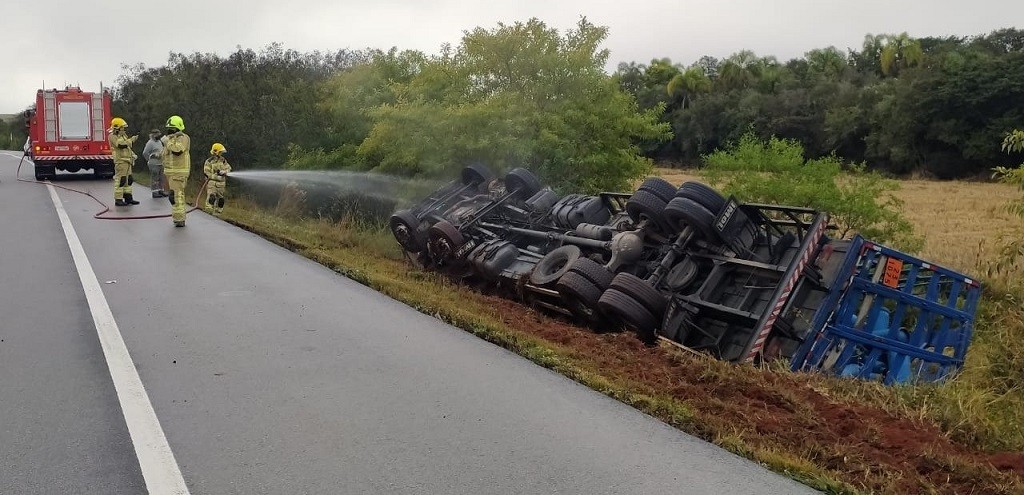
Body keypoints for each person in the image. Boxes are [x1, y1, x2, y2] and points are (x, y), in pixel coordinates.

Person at [161, 115, 190, 227]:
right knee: (175, 196)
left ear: (178, 128)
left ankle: (180, 219)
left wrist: (167, 142)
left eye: (171, 128)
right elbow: (166, 155)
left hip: (179, 173)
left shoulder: (183, 138)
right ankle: (178, 218)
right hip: (170, 173)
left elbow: (178, 151)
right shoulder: (171, 139)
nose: (169, 131)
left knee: (176, 196)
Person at [108, 117, 139, 206]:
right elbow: (121, 145)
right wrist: (132, 140)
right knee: (120, 180)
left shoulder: (123, 135)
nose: (124, 129)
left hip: (127, 161)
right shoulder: (112, 136)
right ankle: (118, 199)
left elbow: (127, 148)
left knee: (128, 180)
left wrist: (132, 154)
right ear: (117, 127)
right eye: (122, 128)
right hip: (120, 161)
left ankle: (128, 198)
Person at [203, 143, 231, 215]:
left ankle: (217, 215)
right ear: (216, 151)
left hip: (221, 185)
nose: (221, 153)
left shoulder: (223, 160)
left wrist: (225, 171)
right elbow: (207, 173)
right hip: (212, 184)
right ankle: (208, 214)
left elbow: (229, 168)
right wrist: (217, 176)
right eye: (220, 152)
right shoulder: (209, 161)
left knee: (221, 201)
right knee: (211, 198)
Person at [142, 129, 167, 198]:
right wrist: (149, 160)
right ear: (153, 135)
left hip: (160, 163)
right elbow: (145, 153)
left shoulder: (159, 142)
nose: (159, 136)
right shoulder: (150, 143)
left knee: (161, 177)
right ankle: (155, 192)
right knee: (155, 177)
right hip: (153, 163)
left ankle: (161, 190)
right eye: (157, 134)